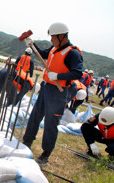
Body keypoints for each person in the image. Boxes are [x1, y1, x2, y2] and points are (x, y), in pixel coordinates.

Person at [22, 22, 83, 164]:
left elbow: (78, 73)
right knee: (35, 114)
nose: (51, 40)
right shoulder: (54, 48)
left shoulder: (72, 53)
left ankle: (46, 153)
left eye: (53, 37)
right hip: (46, 87)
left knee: (51, 122)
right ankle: (27, 141)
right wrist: (32, 44)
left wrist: (58, 76)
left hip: (58, 92)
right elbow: (43, 54)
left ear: (62, 36)